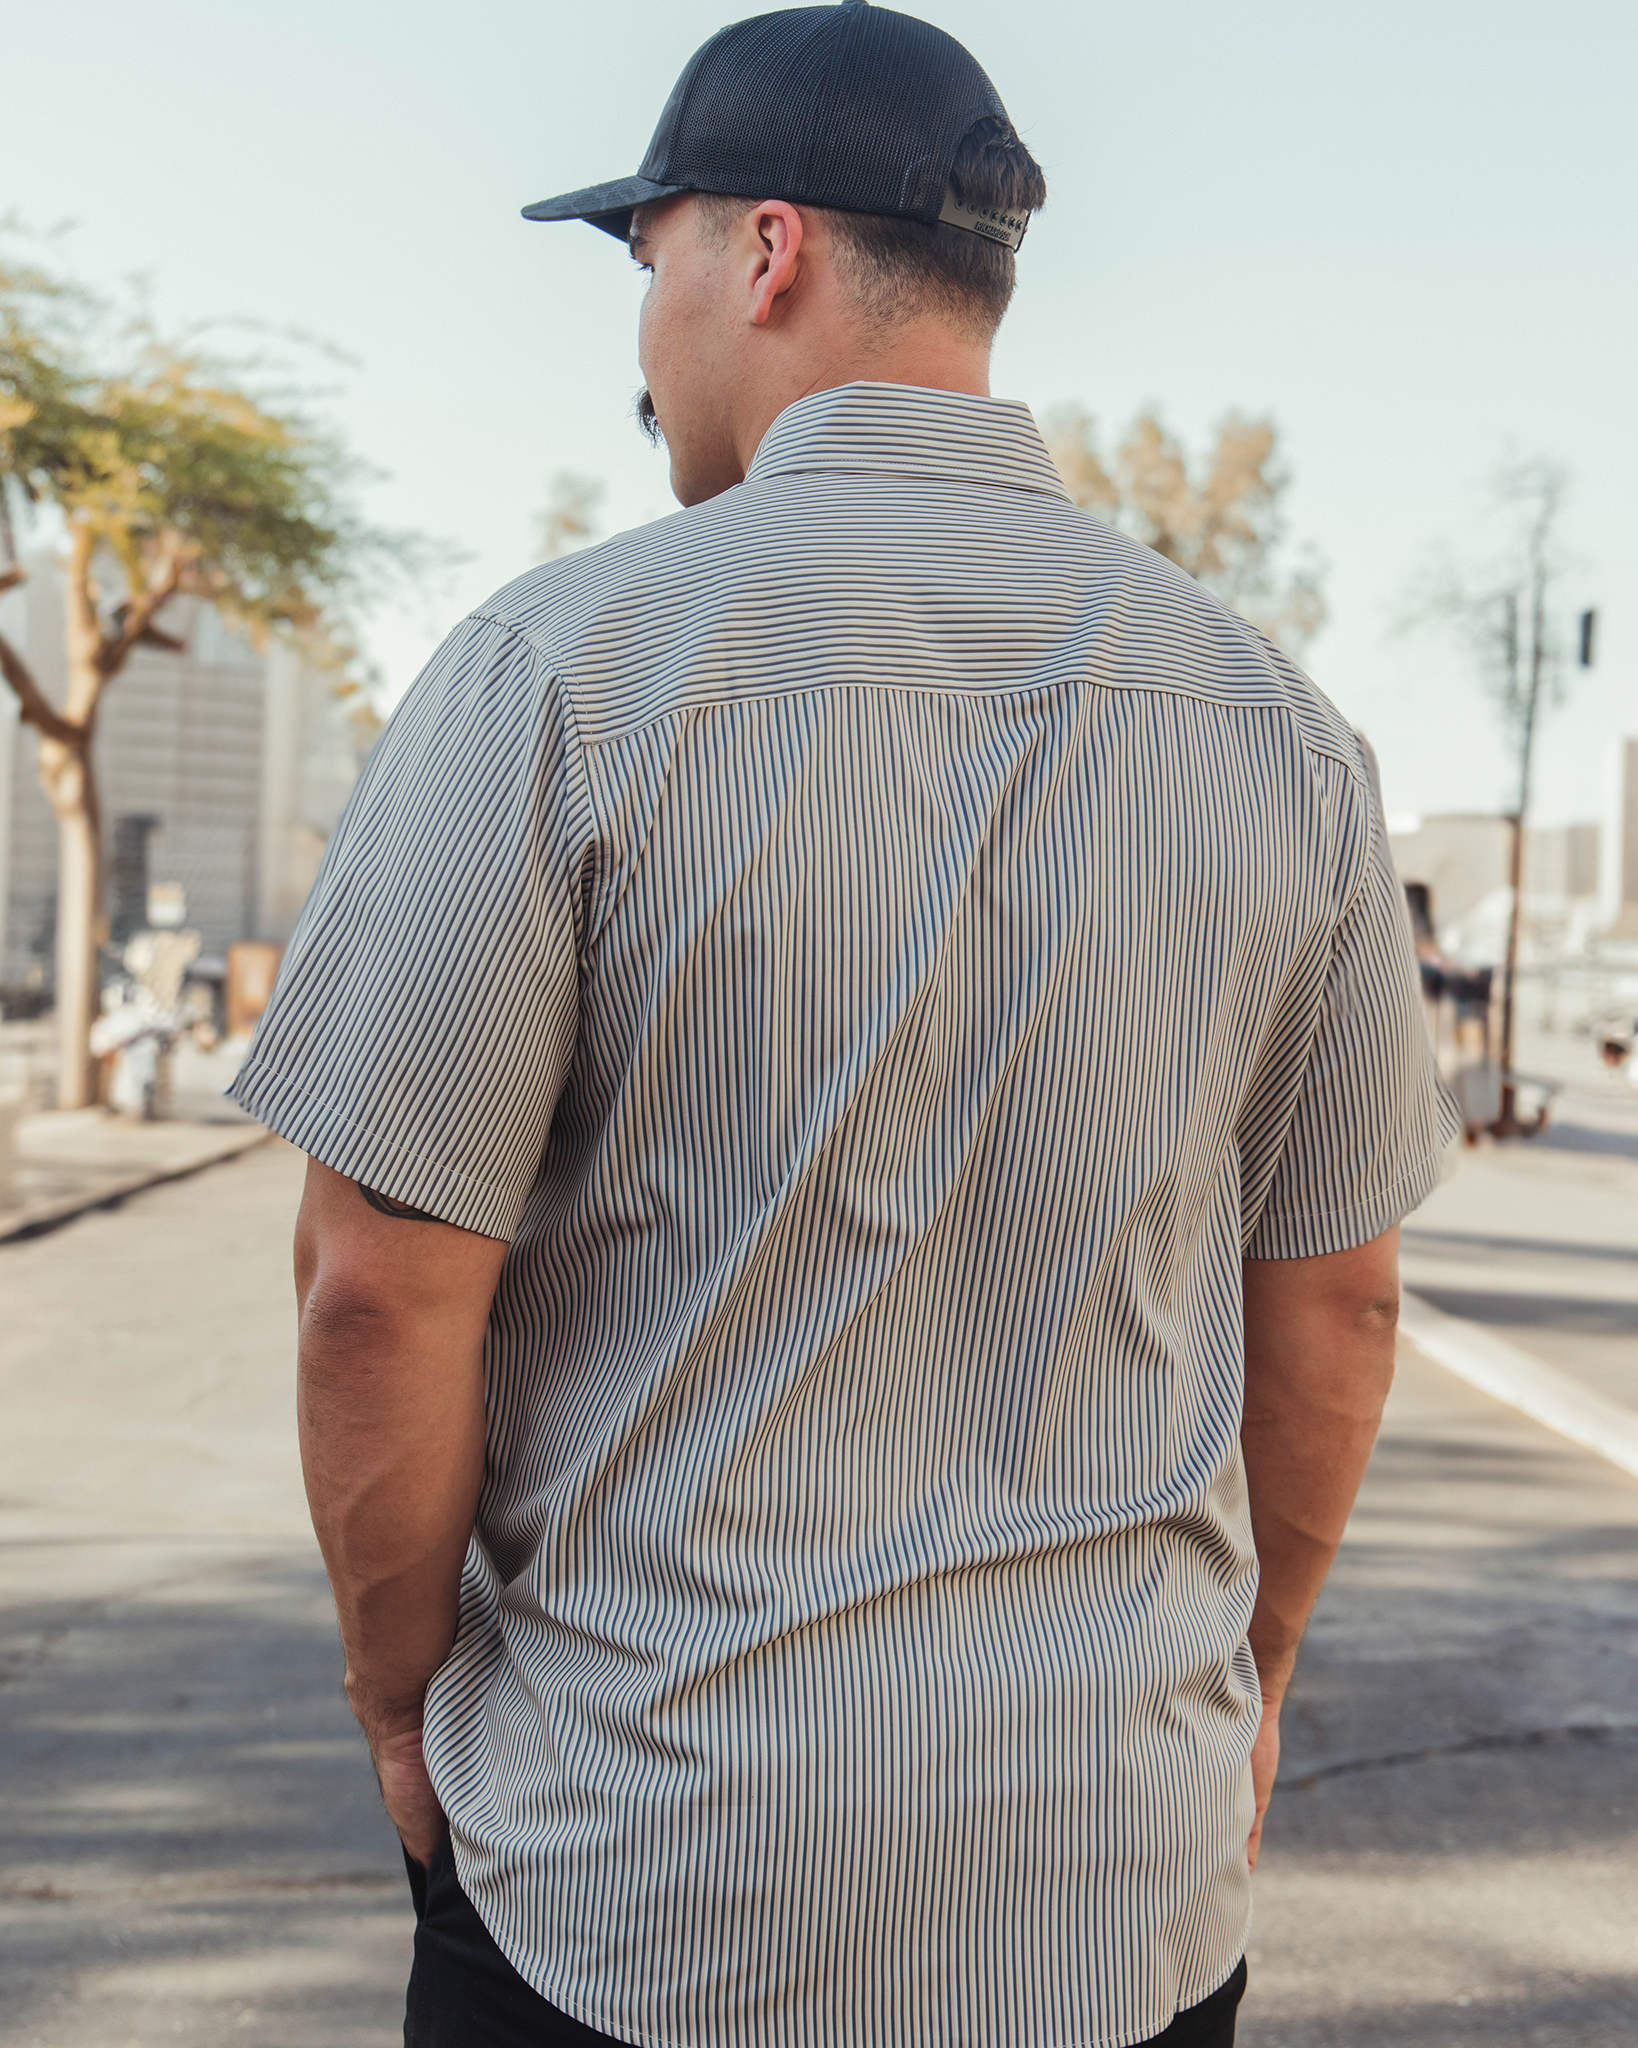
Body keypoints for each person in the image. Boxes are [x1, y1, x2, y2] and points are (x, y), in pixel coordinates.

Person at [232, 6, 1460, 2044]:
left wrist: (394, 1701)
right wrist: (1258, 1674)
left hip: (638, 1881)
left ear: (768, 253)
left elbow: (378, 1285)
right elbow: (1334, 1300)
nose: (644, 340)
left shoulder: (554, 673)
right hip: (1114, 1880)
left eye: (652, 264)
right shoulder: (1281, 734)